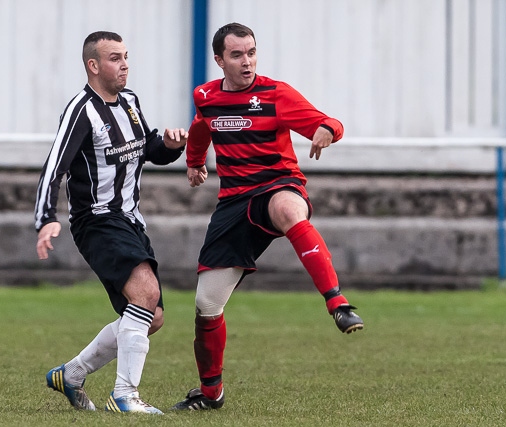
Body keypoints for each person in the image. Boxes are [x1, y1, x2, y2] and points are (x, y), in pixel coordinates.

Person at [170, 22, 364, 411]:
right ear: (219, 59)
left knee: (287, 209)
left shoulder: (276, 94)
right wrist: (193, 163)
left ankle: (338, 303)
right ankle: (211, 395)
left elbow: (329, 122)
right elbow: (201, 128)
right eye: (238, 55)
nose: (247, 62)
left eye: (252, 52)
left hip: (277, 183)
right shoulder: (206, 96)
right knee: (207, 305)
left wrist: (327, 129)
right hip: (232, 205)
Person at [35, 31, 188, 414]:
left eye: (126, 57)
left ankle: (71, 374)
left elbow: (148, 149)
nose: (125, 65)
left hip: (131, 220)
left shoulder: (131, 102)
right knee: (145, 293)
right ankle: (125, 396)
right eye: (115, 58)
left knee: (150, 317)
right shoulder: (80, 110)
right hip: (98, 220)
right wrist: (46, 219)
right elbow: (54, 167)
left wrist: (171, 146)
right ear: (94, 65)